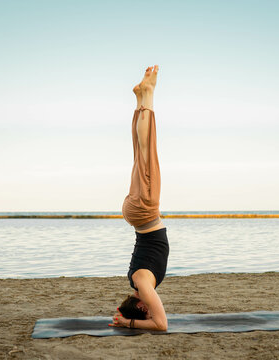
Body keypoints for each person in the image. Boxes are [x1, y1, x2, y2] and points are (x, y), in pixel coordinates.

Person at [109, 65, 169, 331]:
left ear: (143, 306)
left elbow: (161, 325)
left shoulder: (144, 284)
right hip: (137, 214)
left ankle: (149, 95)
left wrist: (128, 323)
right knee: (139, 154)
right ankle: (140, 98)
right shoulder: (136, 280)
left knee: (146, 151)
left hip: (144, 210)